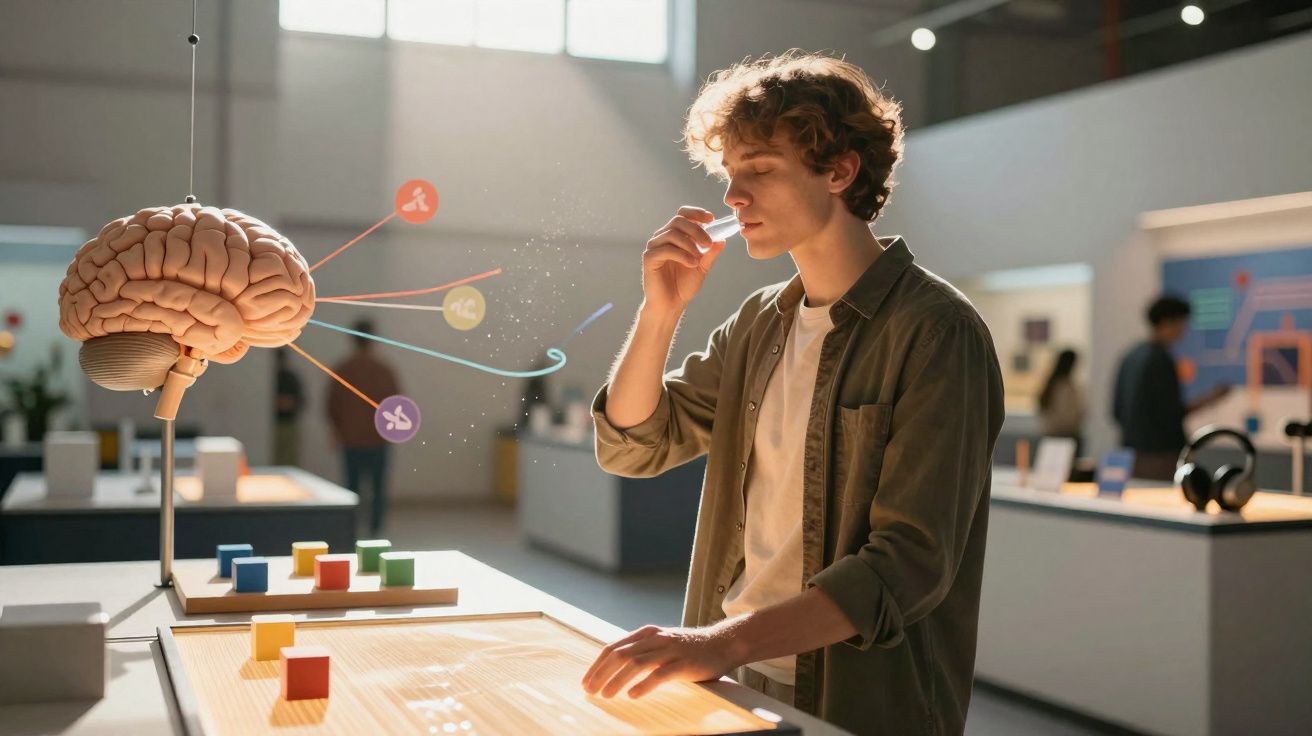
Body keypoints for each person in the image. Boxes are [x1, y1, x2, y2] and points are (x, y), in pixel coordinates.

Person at [582, 51, 1004, 736]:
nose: (733, 197)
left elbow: (906, 565)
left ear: (839, 171)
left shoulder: (936, 331)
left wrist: (718, 642)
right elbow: (633, 446)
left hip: (864, 700)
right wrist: (660, 313)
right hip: (739, 677)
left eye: (761, 170)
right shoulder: (759, 322)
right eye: (730, 174)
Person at [1112, 295, 1230, 480]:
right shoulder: (1160, 359)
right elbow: (1172, 412)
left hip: (1132, 453)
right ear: (1168, 322)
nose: (1183, 330)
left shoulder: (1131, 356)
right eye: (1182, 324)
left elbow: (1116, 410)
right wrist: (1212, 398)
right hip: (1161, 455)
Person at [326, 319, 400, 535]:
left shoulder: (343, 369)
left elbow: (331, 405)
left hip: (351, 439)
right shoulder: (384, 370)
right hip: (378, 439)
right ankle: (376, 531)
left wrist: (337, 431)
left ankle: (350, 529)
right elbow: (396, 404)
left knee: (351, 488)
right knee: (379, 489)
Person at [1037, 348, 1086, 452]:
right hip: (1065, 437)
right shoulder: (1064, 387)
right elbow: (1067, 416)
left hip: (1052, 435)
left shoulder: (1052, 384)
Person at [272, 348, 304, 466]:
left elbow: (301, 401)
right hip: (275, 425)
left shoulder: (290, 378)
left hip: (289, 423)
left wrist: (287, 403)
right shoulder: (271, 377)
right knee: (276, 459)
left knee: (290, 459)